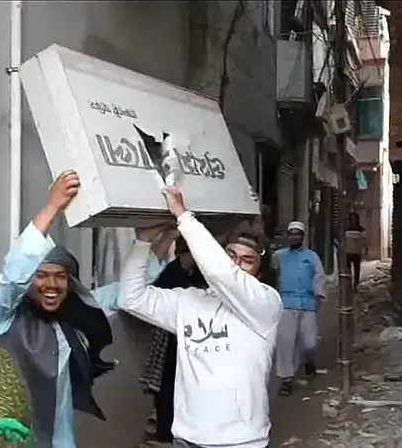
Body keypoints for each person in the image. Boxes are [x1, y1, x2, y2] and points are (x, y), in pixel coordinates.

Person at [119, 186, 283, 448]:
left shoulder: (265, 304)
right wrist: (143, 240)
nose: (235, 264)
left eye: (247, 261)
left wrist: (184, 217)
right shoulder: (189, 300)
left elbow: (224, 275)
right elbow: (130, 297)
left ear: (260, 273)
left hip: (241, 442)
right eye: (230, 255)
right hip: (187, 439)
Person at [0, 170, 118, 448]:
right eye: (41, 275)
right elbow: (12, 276)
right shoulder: (3, 315)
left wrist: (149, 240)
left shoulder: (72, 314)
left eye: (60, 276)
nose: (52, 284)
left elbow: (124, 294)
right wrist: (52, 206)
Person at [140, 237, 208, 444]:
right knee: (166, 389)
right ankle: (164, 432)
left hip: (195, 341)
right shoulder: (172, 271)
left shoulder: (202, 275)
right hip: (171, 341)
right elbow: (158, 292)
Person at [272, 221, 326, 396]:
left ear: (303, 237)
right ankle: (286, 379)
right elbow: (271, 274)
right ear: (288, 236)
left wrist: (319, 293)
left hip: (308, 303)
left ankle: (308, 359)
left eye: (298, 233)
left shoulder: (312, 256)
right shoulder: (279, 256)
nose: (295, 236)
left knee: (309, 341)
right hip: (286, 303)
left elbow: (319, 276)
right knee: (285, 342)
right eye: (292, 233)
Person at [344, 212, 367, 292]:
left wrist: (364, 249)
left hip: (357, 253)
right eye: (352, 219)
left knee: (357, 269)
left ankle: (356, 284)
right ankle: (349, 285)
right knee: (348, 270)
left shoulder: (361, 230)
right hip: (348, 252)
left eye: (354, 219)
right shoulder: (346, 229)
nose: (353, 221)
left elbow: (364, 241)